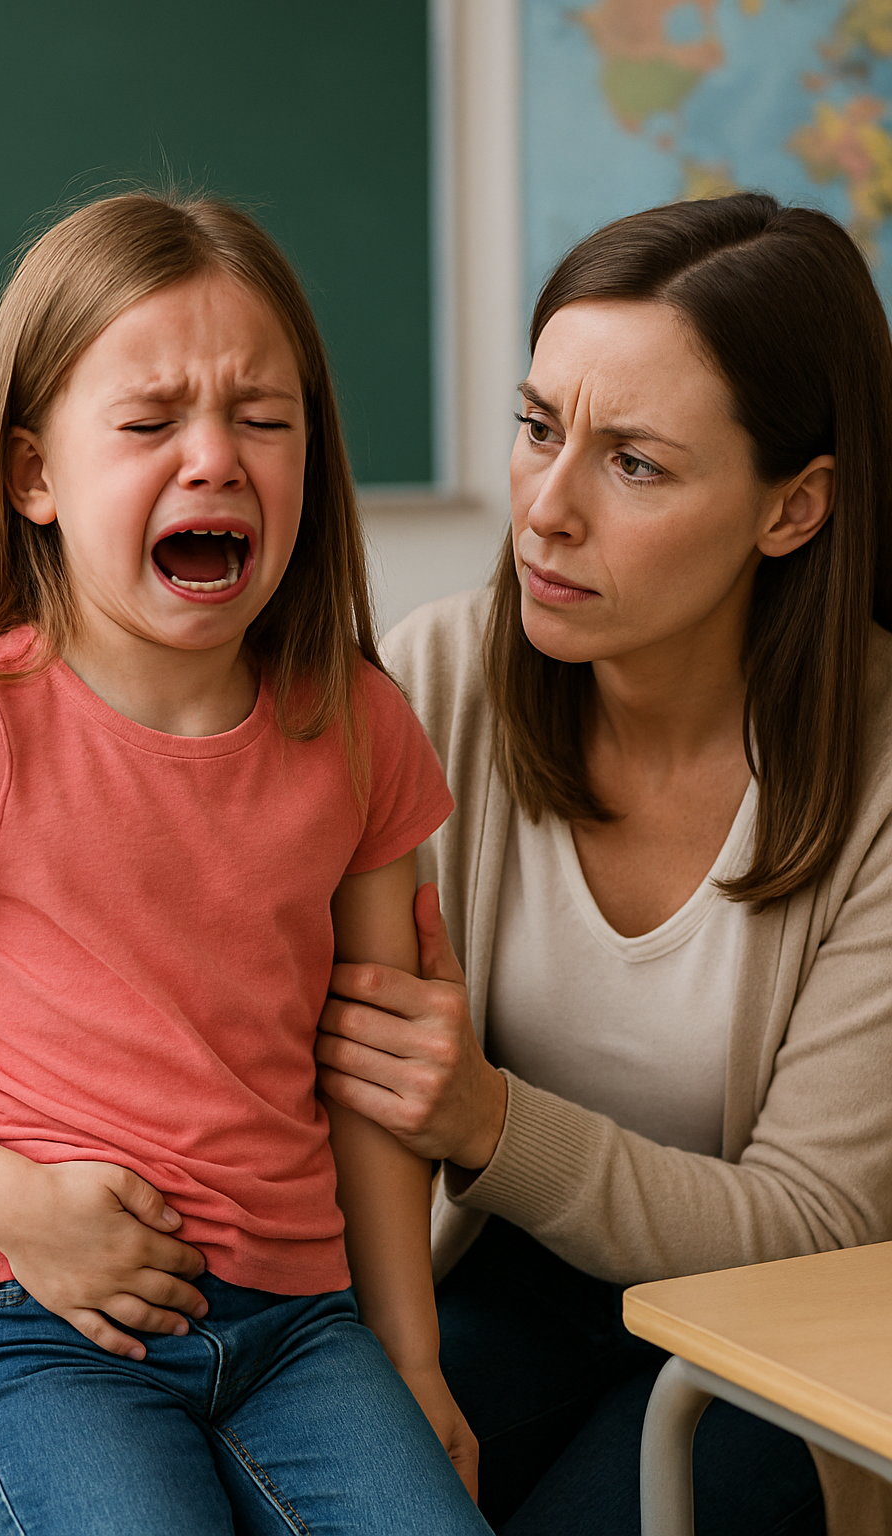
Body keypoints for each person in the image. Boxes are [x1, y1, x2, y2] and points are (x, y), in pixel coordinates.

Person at [0, 193, 493, 1536]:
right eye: (150, 424)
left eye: (262, 420)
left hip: (302, 1330)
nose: (214, 458)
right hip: (38, 1329)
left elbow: (375, 1078)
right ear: (35, 475)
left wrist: (416, 1358)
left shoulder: (362, 723)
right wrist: (21, 1209)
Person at [316, 193, 892, 1536]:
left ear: (793, 508)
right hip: (500, 1276)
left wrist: (487, 1123)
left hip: (776, 1338)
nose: (547, 511)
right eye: (538, 429)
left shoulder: (877, 763)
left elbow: (817, 1229)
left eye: (634, 462)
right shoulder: (437, 675)